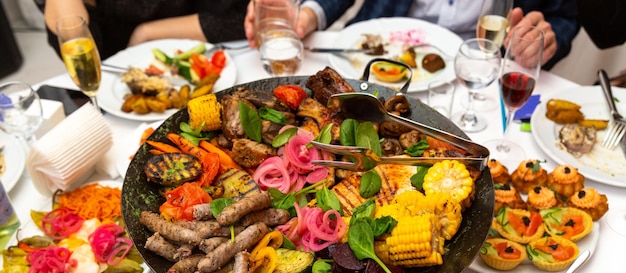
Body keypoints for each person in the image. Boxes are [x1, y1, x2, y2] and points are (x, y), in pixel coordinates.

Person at [244, 0, 579, 70]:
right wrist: (303, 17)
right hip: (376, 57)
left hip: (481, 69)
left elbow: (564, 16)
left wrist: (544, 39)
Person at [36, 0, 249, 60]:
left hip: (207, 59)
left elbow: (246, 16)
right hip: (119, 87)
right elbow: (85, 53)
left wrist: (148, 32)